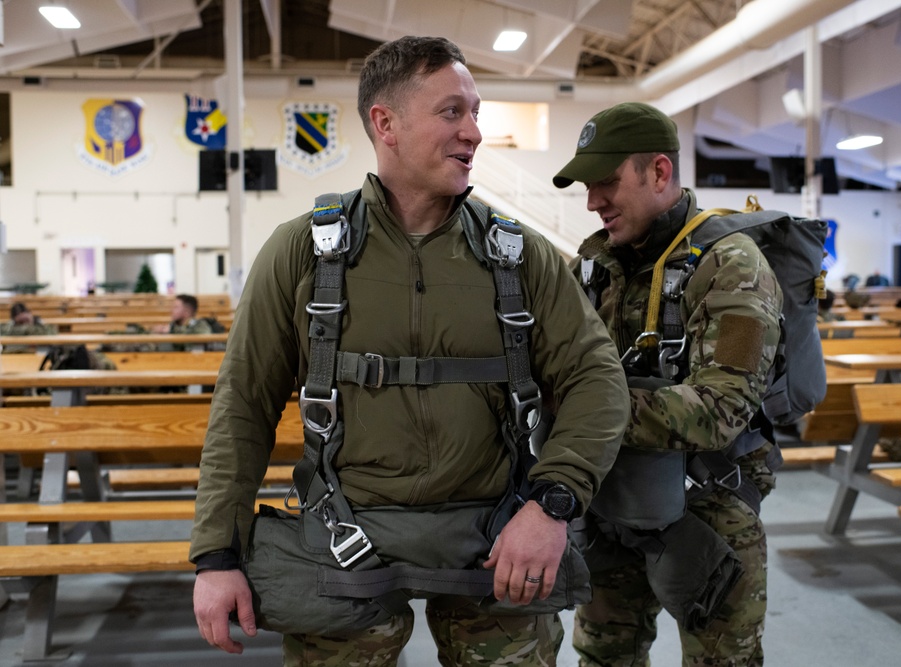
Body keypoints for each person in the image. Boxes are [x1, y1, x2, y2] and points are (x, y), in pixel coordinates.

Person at [190, 35, 629, 665]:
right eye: (453, 112)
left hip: (499, 533)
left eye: (476, 112)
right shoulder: (302, 252)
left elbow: (597, 380)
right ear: (385, 122)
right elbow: (243, 407)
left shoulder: (521, 256)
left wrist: (553, 505)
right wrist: (217, 556)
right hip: (345, 532)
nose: (474, 132)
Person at [553, 102, 782, 666]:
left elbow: (720, 409)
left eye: (606, 182)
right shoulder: (594, 264)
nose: (592, 201)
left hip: (709, 510)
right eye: (586, 186)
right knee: (604, 656)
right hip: (614, 502)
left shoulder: (732, 268)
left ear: (658, 172)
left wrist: (588, 413)